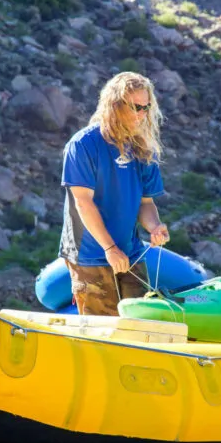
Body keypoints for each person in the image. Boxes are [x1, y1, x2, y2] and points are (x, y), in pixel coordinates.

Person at [59, 72, 169, 316]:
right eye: (136, 107)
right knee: (102, 335)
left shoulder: (142, 148)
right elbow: (83, 202)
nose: (143, 114)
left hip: (130, 252)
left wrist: (154, 226)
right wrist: (109, 248)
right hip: (90, 256)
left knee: (142, 327)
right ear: (115, 105)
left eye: (147, 107)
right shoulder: (84, 145)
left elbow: (146, 202)